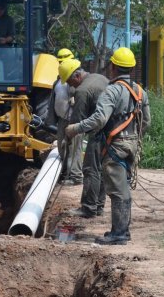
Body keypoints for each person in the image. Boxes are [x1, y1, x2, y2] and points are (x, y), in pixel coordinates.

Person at [65, 47, 151, 245]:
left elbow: (99, 119)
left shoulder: (111, 91)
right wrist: (132, 138)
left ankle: (119, 233)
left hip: (115, 146)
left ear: (112, 67)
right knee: (123, 187)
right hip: (131, 145)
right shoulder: (140, 91)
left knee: (118, 190)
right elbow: (146, 121)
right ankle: (121, 231)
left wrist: (75, 128)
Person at [59, 59, 109, 219]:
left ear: (77, 75)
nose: (70, 86)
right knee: (101, 170)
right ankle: (98, 205)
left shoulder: (82, 90)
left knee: (90, 169)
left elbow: (76, 123)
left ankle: (88, 208)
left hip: (99, 133)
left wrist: (67, 138)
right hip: (113, 132)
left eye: (70, 81)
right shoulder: (99, 77)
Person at [52, 48, 84, 185]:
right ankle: (65, 173)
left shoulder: (76, 79)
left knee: (75, 148)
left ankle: (75, 176)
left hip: (74, 120)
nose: (61, 65)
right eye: (60, 62)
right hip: (62, 119)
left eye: (63, 62)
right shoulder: (58, 80)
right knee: (62, 147)